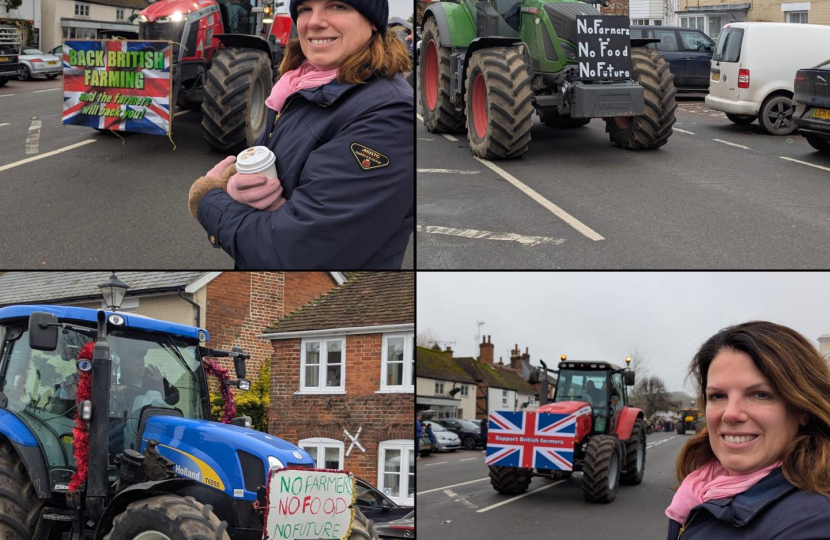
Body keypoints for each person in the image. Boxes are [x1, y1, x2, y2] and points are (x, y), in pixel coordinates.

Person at [188, 0, 413, 269]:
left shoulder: (390, 115)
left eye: (337, 6)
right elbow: (280, 163)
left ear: (373, 20)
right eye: (305, 9)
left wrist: (208, 198)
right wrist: (235, 182)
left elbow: (290, 252)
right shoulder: (297, 87)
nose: (314, 21)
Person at [665, 321, 830, 539]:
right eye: (718, 396)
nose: (730, 414)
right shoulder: (700, 488)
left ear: (803, 409)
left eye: (760, 394)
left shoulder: (813, 522)